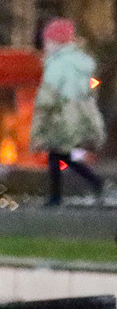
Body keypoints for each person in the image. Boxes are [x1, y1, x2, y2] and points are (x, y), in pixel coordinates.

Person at [33, 16, 106, 205]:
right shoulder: (81, 62)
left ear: (54, 41)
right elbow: (90, 89)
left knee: (57, 154)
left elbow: (49, 92)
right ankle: (91, 183)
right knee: (61, 155)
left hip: (59, 114)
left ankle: (57, 197)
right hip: (76, 114)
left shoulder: (57, 64)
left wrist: (40, 117)